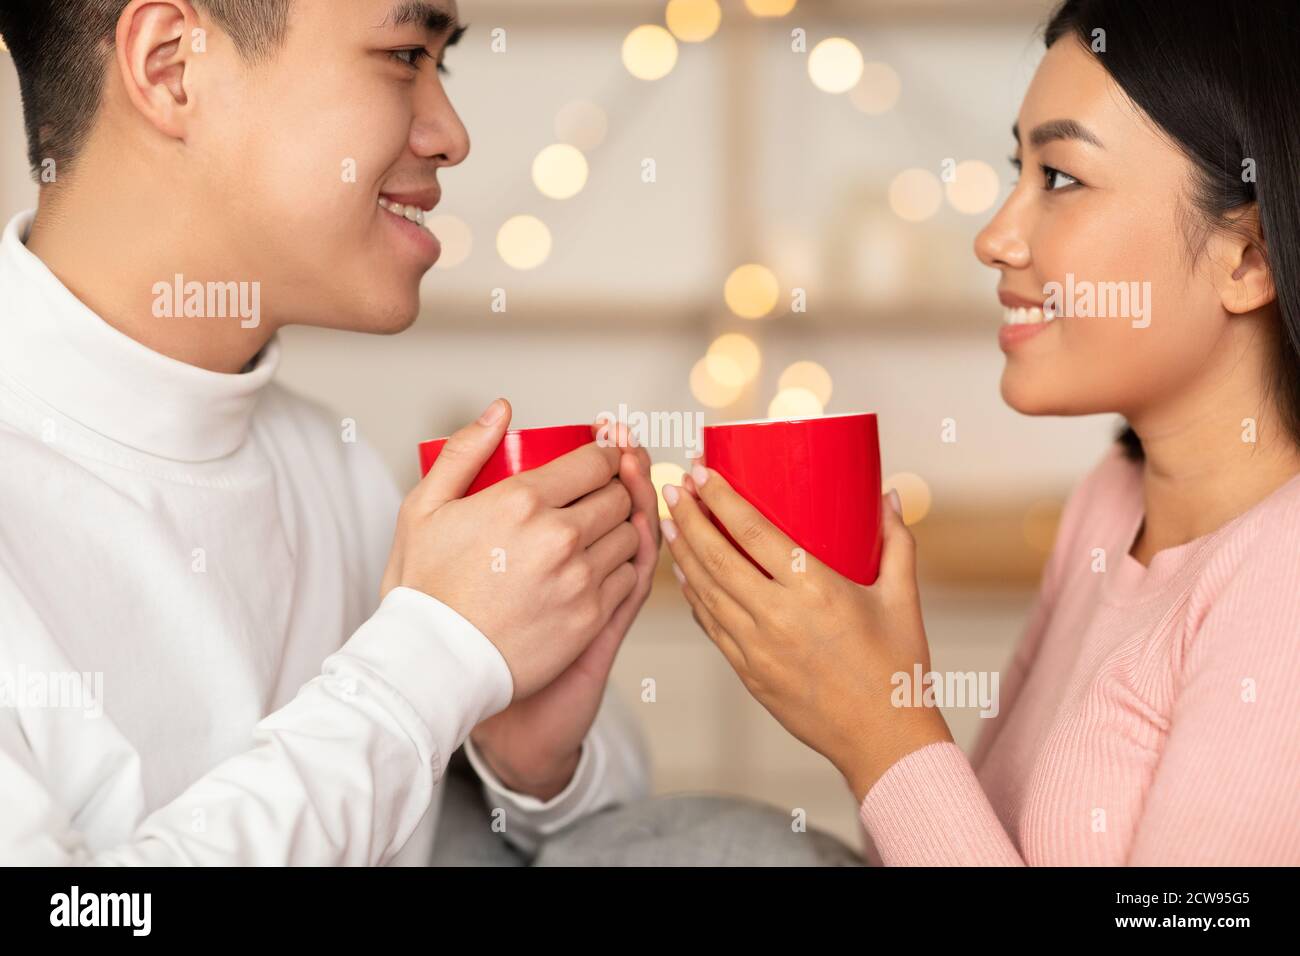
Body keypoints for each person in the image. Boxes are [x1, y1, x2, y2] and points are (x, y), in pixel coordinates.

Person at [0, 0, 665, 865]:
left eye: (442, 65)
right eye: (401, 56)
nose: (451, 135)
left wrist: (525, 757)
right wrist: (427, 666)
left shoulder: (337, 469)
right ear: (173, 66)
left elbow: (638, 828)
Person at [664, 0, 1300, 866]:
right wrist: (880, 707)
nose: (995, 237)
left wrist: (882, 734)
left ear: (1250, 257)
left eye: (1062, 178)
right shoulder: (1108, 512)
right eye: (1017, 170)